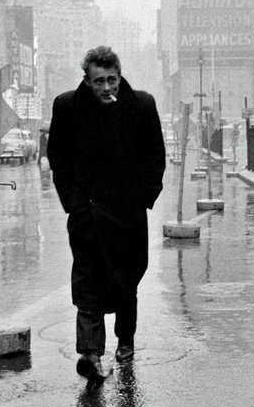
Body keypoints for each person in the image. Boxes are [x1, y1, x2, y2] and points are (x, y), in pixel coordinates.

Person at [47, 46, 166, 380]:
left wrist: (144, 196)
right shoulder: (67, 106)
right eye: (98, 81)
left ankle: (125, 339)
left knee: (127, 279)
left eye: (111, 79)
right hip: (88, 212)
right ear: (86, 80)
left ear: (119, 75)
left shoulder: (141, 105)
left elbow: (155, 155)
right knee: (88, 280)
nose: (106, 88)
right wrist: (72, 200)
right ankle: (90, 352)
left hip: (127, 214)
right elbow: (57, 156)